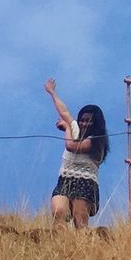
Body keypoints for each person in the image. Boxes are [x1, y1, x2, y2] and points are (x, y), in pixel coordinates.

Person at [43, 77, 109, 229]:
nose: (84, 123)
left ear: (96, 123)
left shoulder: (96, 141)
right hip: (65, 179)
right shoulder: (76, 130)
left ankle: (82, 248)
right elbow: (64, 111)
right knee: (59, 212)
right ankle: (60, 247)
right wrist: (52, 92)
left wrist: (66, 129)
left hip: (85, 183)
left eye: (89, 121)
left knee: (80, 220)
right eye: (83, 120)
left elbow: (72, 146)